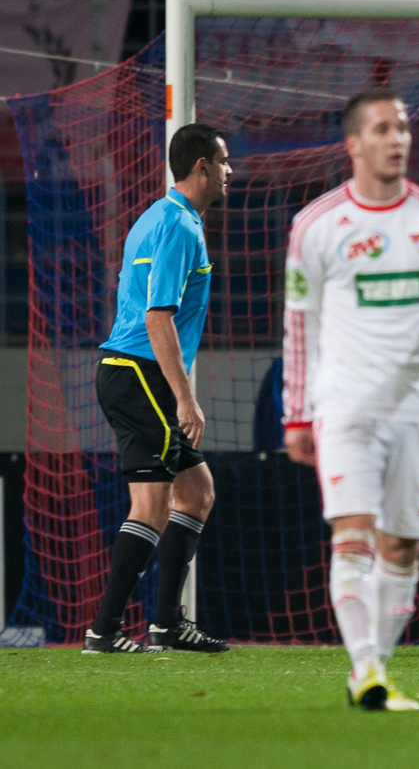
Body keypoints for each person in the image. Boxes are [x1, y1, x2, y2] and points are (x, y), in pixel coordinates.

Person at [282, 87, 419, 710]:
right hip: (344, 406)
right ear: (353, 144)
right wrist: (297, 412)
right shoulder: (316, 225)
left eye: (402, 127)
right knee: (352, 535)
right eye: (382, 129)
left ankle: (371, 669)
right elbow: (299, 323)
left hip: (417, 409)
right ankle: (369, 669)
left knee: (402, 547)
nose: (397, 138)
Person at [86, 123, 233, 655]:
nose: (230, 171)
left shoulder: (161, 216)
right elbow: (157, 316)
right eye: (223, 161)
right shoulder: (178, 227)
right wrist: (185, 397)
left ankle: (168, 624)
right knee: (151, 503)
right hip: (138, 372)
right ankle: (104, 630)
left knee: (197, 492)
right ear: (201, 167)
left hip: (136, 372)